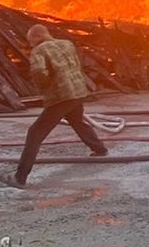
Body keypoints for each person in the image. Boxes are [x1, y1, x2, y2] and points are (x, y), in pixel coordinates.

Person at [7, 24, 108, 187]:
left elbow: (39, 72)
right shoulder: (67, 44)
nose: (30, 44)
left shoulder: (39, 50)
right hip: (77, 91)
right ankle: (100, 149)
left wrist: (45, 86)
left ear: (35, 37)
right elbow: (77, 65)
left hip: (61, 96)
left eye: (30, 41)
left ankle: (20, 177)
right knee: (77, 121)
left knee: (35, 133)